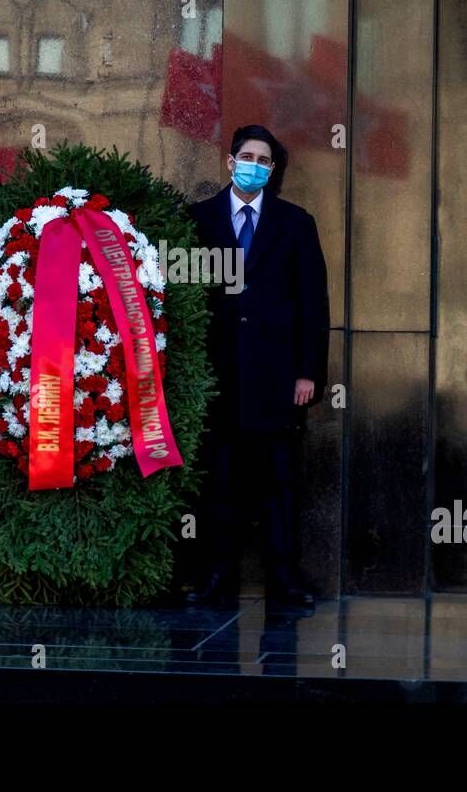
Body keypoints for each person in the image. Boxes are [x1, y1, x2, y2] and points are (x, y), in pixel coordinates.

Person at [186, 124, 330, 607]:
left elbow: (314, 303)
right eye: (246, 155)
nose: (254, 164)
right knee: (219, 486)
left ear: (272, 170)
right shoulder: (198, 219)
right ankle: (215, 579)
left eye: (264, 160)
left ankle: (284, 580)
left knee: (278, 486)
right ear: (230, 162)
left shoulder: (295, 223)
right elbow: (185, 298)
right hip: (218, 378)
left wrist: (307, 371)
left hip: (276, 379)